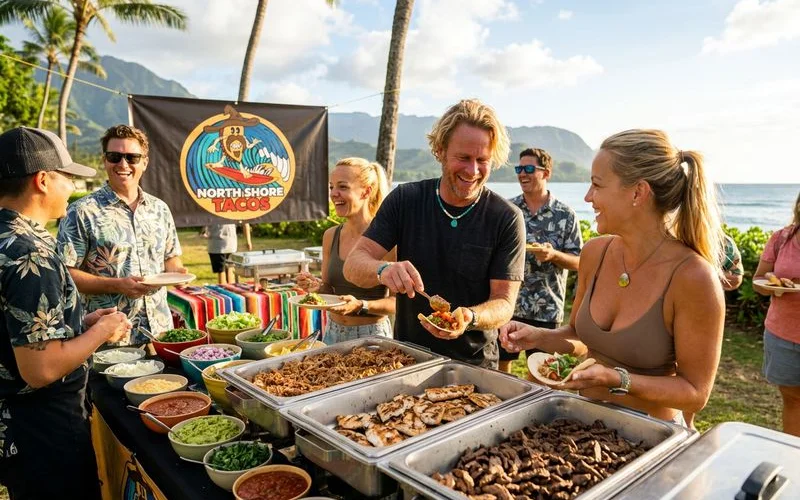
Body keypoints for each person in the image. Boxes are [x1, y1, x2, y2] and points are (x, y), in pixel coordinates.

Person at [500, 129, 725, 424]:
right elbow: (579, 338)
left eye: (597, 185)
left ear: (638, 193)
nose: (588, 196)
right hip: (582, 424)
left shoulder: (694, 278)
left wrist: (616, 379)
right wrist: (538, 336)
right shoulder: (595, 253)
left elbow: (695, 392)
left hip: (650, 436)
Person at [343, 99, 526, 368]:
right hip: (406, 360)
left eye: (482, 160)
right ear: (440, 151)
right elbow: (353, 265)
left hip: (474, 365)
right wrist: (383, 270)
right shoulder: (406, 199)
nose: (473, 171)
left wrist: (470, 317)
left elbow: (504, 302)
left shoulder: (506, 218)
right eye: (463, 158)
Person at [0, 127, 132, 499]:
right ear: (43, 180)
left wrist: (77, 323)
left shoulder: (7, 237)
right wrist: (102, 331)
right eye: (68, 178)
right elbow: (40, 369)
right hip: (41, 428)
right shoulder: (31, 254)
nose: (72, 188)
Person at [57, 125, 185, 346]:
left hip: (161, 332)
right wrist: (117, 285)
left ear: (144, 162)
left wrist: (179, 274)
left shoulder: (160, 209)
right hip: (109, 338)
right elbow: (65, 275)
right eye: (115, 156)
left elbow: (170, 258)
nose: (123, 164)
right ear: (105, 161)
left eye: (132, 157)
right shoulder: (81, 211)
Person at [295, 158, 395, 344]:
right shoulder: (330, 236)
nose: (334, 194)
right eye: (331, 187)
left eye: (342, 187)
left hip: (373, 336)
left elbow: (399, 303)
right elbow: (328, 289)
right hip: (332, 332)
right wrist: (316, 287)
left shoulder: (388, 238)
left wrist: (360, 306)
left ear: (366, 191)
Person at [503, 147, 582, 373]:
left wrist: (553, 255)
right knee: (500, 366)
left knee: (542, 372)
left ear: (546, 173)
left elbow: (579, 262)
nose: (522, 174)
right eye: (519, 168)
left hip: (546, 308)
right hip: (510, 302)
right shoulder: (508, 210)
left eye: (529, 168)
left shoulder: (565, 215)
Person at [753, 191, 800, 436]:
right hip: (783, 335)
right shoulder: (781, 238)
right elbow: (759, 280)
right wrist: (773, 285)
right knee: (792, 400)